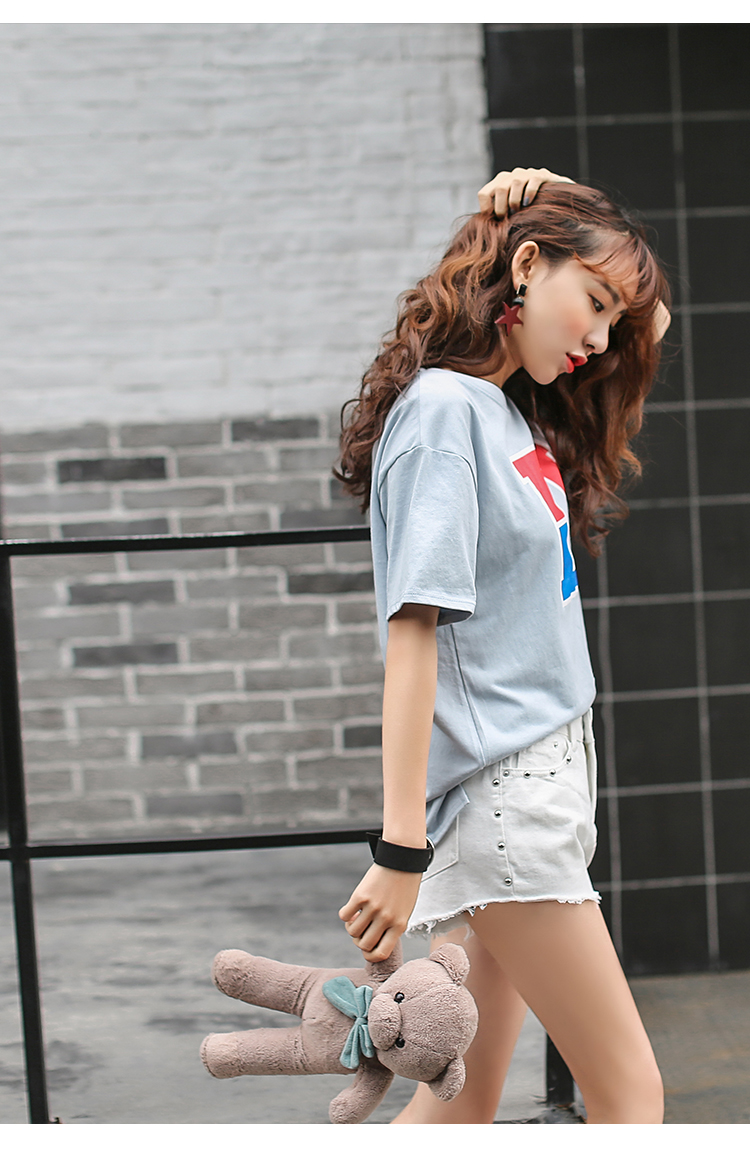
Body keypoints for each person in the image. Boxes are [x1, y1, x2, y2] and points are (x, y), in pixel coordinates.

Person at [334, 167, 671, 1125]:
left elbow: (652, 321)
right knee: (630, 1096)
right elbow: (412, 637)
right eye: (592, 302)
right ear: (526, 266)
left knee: (462, 1106)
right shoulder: (444, 415)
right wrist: (399, 846)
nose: (602, 338)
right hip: (506, 801)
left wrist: (564, 199)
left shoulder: (499, 407)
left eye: (609, 317)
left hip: (532, 787)